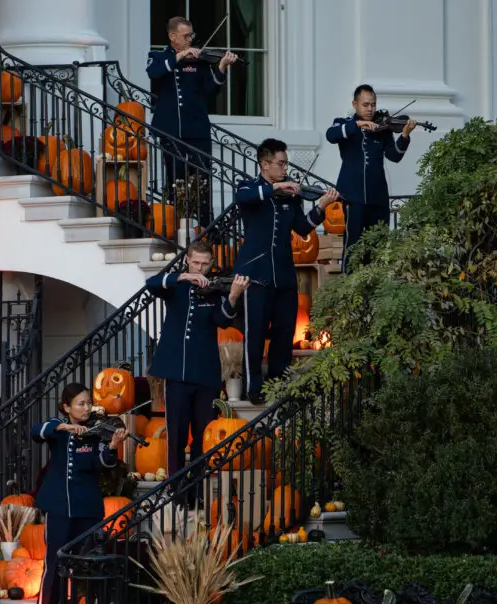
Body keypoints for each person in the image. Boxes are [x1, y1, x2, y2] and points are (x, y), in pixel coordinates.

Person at [233, 139, 340, 404]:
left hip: (283, 274)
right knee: (255, 333)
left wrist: (321, 206)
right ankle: (253, 387)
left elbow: (302, 228)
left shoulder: (290, 196)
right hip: (254, 273)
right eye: (280, 164)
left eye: (285, 164)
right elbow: (243, 197)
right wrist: (275, 187)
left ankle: (277, 384)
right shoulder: (250, 187)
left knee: (284, 332)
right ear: (264, 164)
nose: (284, 168)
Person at [145, 241, 249, 501]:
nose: (200, 268)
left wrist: (234, 295)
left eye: (205, 264)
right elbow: (151, 283)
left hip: (205, 372)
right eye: (196, 263)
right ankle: (176, 491)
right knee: (176, 435)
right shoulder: (177, 286)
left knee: (204, 436)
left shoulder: (214, 290)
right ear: (188, 260)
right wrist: (183, 276)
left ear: (211, 264)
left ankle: (200, 491)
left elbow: (222, 320)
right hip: (176, 372)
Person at [30, 384, 127, 604]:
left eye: (88, 403)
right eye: (80, 404)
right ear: (67, 407)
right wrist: (65, 426)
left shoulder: (95, 432)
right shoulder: (58, 430)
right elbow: (37, 431)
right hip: (60, 508)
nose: (86, 408)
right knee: (55, 564)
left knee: (89, 566)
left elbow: (103, 463)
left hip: (89, 508)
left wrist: (112, 447)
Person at [146, 16, 237, 227]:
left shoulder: (200, 62)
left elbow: (210, 92)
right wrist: (180, 56)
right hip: (171, 129)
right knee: (176, 181)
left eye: (191, 36)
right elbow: (154, 72)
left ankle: (206, 227)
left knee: (202, 182)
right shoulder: (158, 56)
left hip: (197, 129)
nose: (190, 41)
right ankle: (175, 227)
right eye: (186, 36)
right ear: (173, 36)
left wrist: (221, 67)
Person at [326, 84, 418, 271]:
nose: (370, 109)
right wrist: (358, 124)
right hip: (352, 196)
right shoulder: (343, 124)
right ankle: (349, 289)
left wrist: (405, 135)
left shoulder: (383, 127)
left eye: (373, 105)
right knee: (353, 245)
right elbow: (331, 135)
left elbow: (394, 156)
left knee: (378, 246)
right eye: (365, 105)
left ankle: (373, 289)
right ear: (355, 104)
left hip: (378, 196)